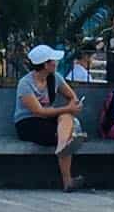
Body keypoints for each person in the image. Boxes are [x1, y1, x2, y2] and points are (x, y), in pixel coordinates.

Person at [13, 44, 86, 192]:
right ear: (45, 65)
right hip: (28, 122)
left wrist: (73, 106)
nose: (56, 63)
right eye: (53, 60)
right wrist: (67, 108)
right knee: (66, 134)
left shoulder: (55, 78)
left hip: (48, 118)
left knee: (66, 119)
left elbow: (72, 97)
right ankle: (67, 179)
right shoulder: (25, 84)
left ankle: (63, 147)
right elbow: (39, 111)